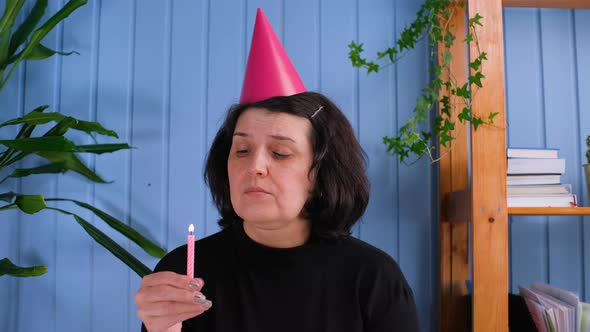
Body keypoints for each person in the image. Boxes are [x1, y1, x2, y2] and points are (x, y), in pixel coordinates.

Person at [135, 8, 419, 332]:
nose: (254, 167)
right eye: (241, 150)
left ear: (320, 175)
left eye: (281, 153)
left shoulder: (373, 278)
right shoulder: (183, 274)